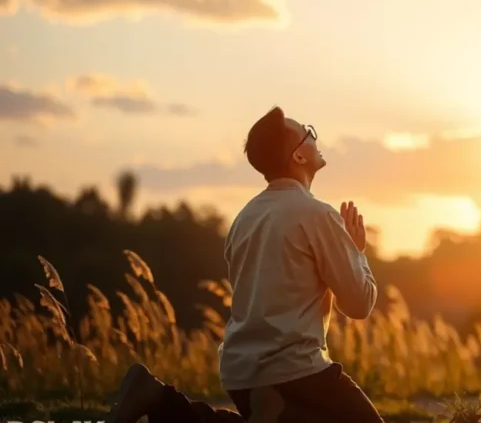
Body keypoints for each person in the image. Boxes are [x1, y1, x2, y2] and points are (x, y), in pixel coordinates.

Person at [106, 106, 382, 423]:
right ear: (299, 158)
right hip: (297, 373)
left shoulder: (245, 218)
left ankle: (158, 399)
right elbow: (359, 304)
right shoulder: (316, 214)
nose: (314, 136)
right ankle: (158, 399)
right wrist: (357, 252)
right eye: (308, 132)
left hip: (241, 372)